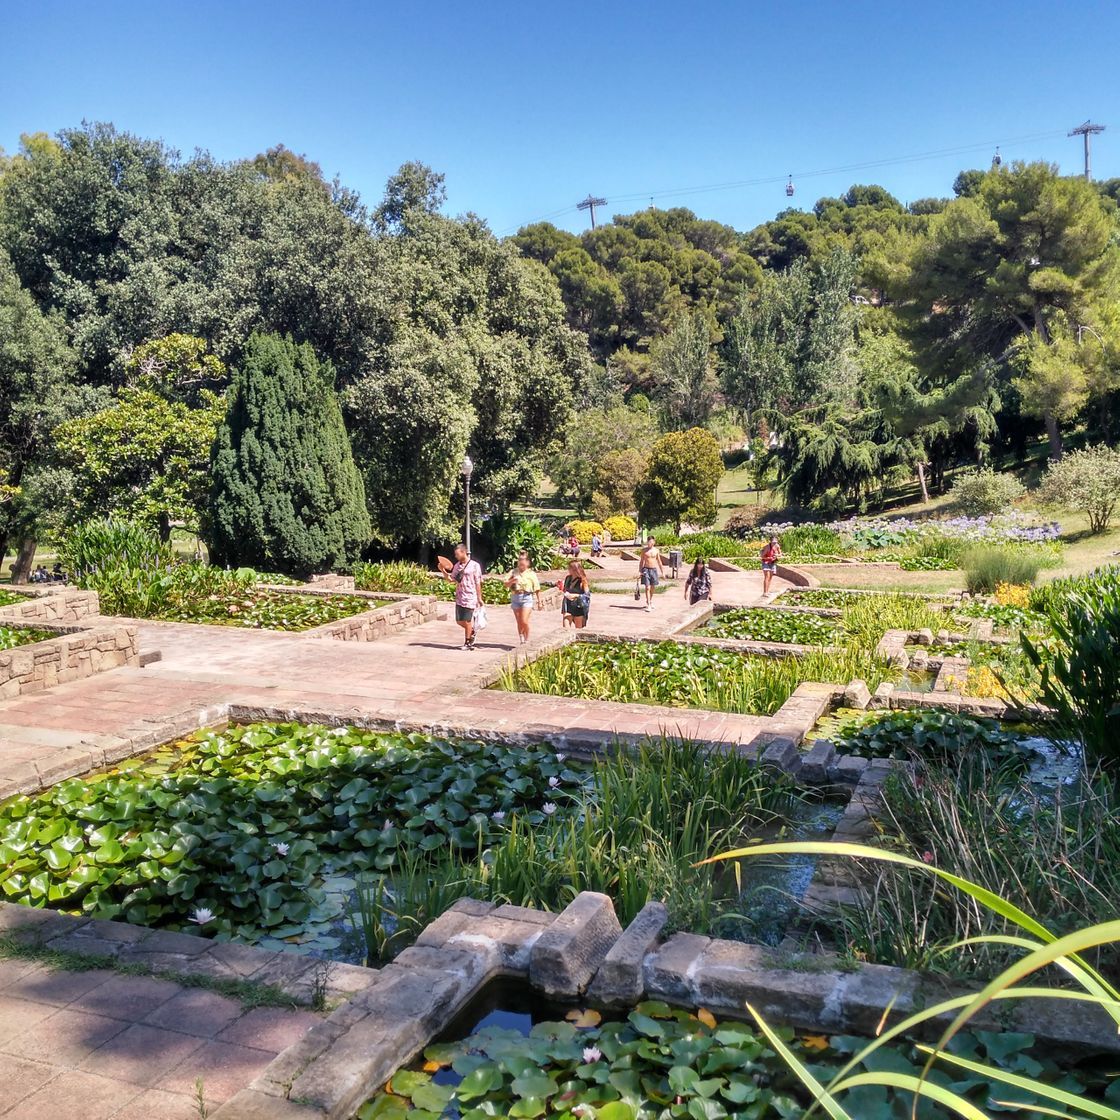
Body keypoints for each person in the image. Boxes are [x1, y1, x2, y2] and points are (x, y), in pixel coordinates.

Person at [444, 543, 483, 651]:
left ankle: (467, 643)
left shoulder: (475, 565)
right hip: (460, 596)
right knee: (459, 621)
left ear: (463, 552)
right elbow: (451, 579)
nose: (456, 556)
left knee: (467, 620)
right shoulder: (457, 566)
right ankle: (472, 632)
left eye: (457, 554)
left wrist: (479, 598)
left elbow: (478, 582)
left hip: (471, 596)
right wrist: (443, 570)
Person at [504, 550, 543, 645]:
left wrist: (539, 601)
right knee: (519, 621)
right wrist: (512, 581)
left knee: (524, 620)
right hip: (516, 597)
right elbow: (505, 584)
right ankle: (521, 638)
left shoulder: (531, 574)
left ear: (527, 562)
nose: (521, 562)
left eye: (523, 560)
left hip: (527, 597)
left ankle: (526, 639)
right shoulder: (513, 572)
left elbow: (537, 588)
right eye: (519, 560)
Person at [560, 559, 591, 629]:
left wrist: (576, 595)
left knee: (578, 630)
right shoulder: (568, 578)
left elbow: (587, 595)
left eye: (569, 568)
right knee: (566, 628)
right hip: (567, 605)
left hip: (578, 606)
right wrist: (561, 587)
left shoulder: (583, 581)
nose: (568, 569)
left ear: (574, 569)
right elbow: (565, 590)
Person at [638, 536, 664, 612]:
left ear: (654, 542)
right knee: (647, 587)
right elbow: (641, 561)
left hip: (653, 570)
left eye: (652, 542)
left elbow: (659, 562)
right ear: (648, 542)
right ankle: (648, 604)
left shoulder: (656, 551)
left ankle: (650, 600)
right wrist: (640, 571)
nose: (651, 543)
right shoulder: (644, 551)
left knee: (653, 587)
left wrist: (663, 572)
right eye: (649, 542)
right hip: (646, 569)